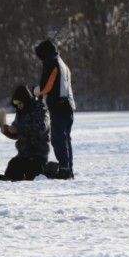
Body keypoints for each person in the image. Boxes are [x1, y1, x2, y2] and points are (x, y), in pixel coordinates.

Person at [0, 85, 49, 181]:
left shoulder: (40, 109)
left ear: (26, 100)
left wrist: (18, 129)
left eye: (19, 102)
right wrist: (7, 131)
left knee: (27, 176)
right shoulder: (20, 112)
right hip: (23, 155)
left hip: (38, 156)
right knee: (11, 170)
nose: (18, 105)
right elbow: (17, 133)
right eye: (15, 103)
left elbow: (41, 128)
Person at [34, 39, 75, 179]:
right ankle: (68, 169)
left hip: (59, 106)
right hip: (68, 106)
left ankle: (64, 171)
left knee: (58, 139)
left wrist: (34, 91)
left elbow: (46, 86)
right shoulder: (62, 63)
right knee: (66, 139)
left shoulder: (51, 62)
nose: (41, 60)